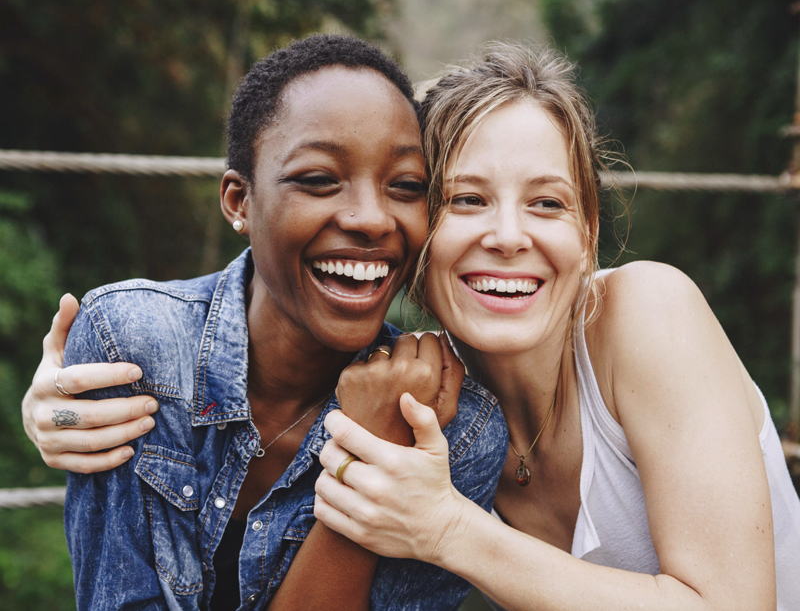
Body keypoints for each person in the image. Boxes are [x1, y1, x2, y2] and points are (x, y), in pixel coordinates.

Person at [21, 34, 508, 611]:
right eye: (319, 179)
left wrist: (379, 448)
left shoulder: (455, 433)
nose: (373, 218)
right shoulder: (132, 346)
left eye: (405, 187)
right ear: (239, 201)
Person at [310, 43, 800, 611]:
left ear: (588, 231)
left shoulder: (648, 311)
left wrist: (449, 530)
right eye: (467, 199)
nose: (510, 236)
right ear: (417, 231)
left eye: (547, 203)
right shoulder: (435, 412)